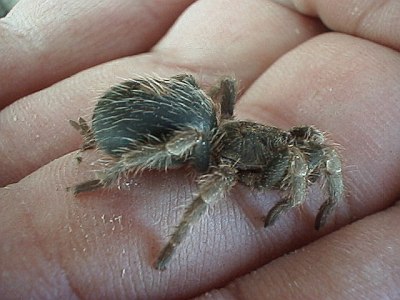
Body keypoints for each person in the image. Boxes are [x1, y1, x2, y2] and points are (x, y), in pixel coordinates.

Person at [0, 0, 399, 298]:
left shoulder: (259, 131)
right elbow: (211, 145)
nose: (295, 155)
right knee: (193, 137)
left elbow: (314, 149)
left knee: (212, 126)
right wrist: (112, 177)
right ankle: (114, 174)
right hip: (171, 126)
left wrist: (324, 201)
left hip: (196, 117)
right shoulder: (219, 159)